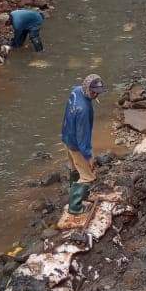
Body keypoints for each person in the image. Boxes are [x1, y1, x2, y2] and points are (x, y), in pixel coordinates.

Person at [61, 74, 106, 215]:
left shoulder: (76, 90)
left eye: (97, 92)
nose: (95, 95)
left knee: (75, 168)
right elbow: (83, 137)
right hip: (76, 144)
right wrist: (88, 156)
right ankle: (75, 206)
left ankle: (74, 192)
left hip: (66, 136)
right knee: (88, 177)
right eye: (93, 92)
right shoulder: (84, 110)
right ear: (87, 88)